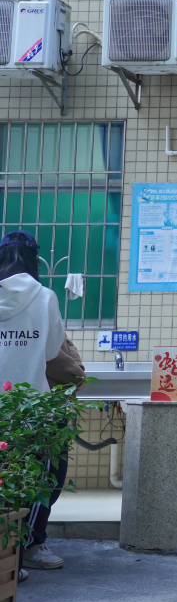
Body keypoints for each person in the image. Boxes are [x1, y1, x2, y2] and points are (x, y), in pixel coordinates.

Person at [0, 231, 66, 580]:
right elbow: (53, 350)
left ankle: (6, 558)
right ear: (34, 261)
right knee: (43, 476)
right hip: (33, 409)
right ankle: (29, 547)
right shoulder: (45, 296)